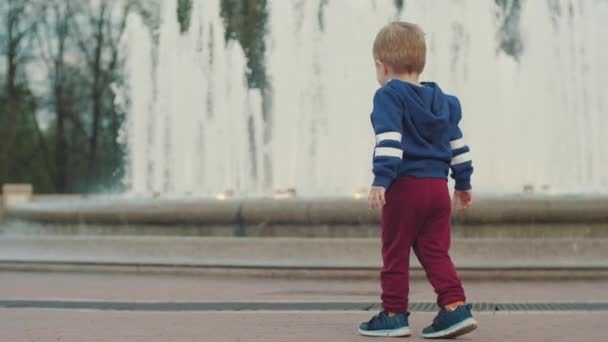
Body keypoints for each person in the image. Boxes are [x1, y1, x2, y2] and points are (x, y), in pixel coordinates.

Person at [358, 22, 477, 339]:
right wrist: (463, 183)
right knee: (436, 251)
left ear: (382, 66)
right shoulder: (445, 102)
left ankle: (394, 314)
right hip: (438, 189)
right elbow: (458, 147)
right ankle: (454, 307)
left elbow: (390, 140)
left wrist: (381, 179)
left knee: (395, 251)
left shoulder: (388, 96)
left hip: (405, 187)